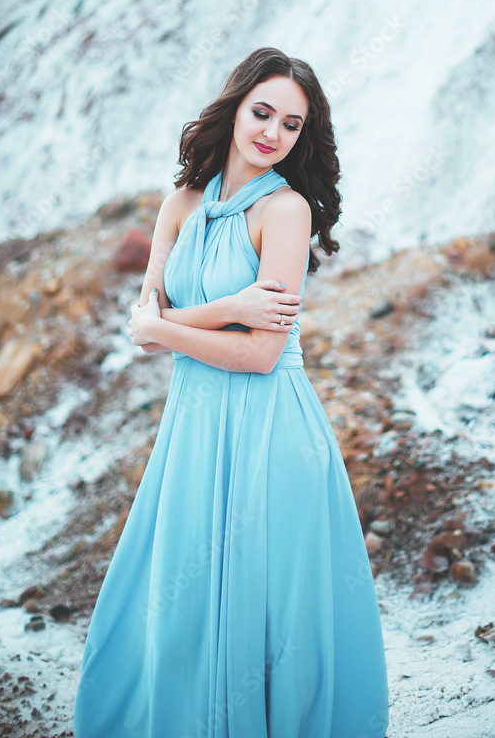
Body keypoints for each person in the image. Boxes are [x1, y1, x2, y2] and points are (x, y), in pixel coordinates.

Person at [73, 46, 389, 737]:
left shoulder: (286, 211)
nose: (273, 132)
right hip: (192, 429)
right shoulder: (179, 206)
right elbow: (141, 334)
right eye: (263, 112)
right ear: (236, 107)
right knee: (180, 608)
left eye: (292, 124)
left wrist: (169, 321)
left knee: (264, 615)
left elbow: (259, 353)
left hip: (269, 429)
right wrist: (222, 306)